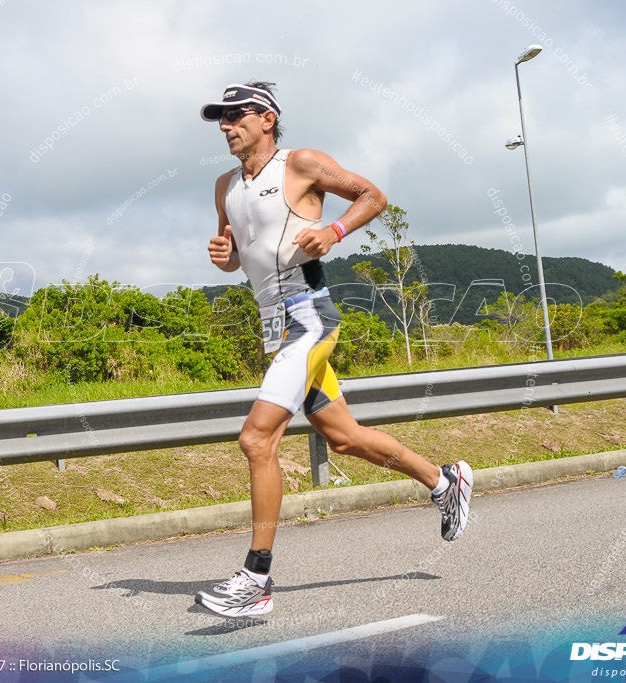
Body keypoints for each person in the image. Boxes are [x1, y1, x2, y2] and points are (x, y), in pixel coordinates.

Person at [195, 82, 472, 617]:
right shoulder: (223, 186)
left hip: (309, 319)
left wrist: (335, 231)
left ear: (267, 118)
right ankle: (444, 481)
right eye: (220, 119)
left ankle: (256, 578)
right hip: (273, 327)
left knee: (256, 440)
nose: (226, 126)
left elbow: (373, 196)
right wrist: (223, 254)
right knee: (343, 439)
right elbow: (237, 256)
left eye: (236, 116)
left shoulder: (301, 163)